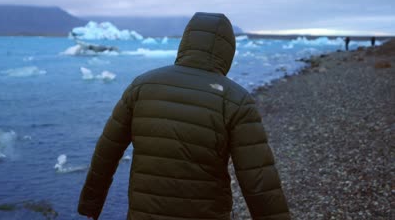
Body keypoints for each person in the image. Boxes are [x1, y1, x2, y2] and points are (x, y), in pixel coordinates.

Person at [78, 12, 290, 220]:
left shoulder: (142, 86)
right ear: (227, 51)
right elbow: (259, 179)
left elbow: (106, 153)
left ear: (186, 42)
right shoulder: (236, 100)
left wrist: (91, 205)